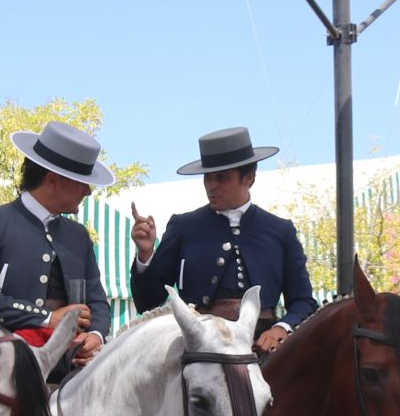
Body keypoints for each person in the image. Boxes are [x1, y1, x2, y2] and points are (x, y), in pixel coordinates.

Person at [128, 127, 316, 350]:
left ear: (249, 178)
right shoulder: (183, 226)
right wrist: (146, 254)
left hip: (262, 345)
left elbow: (303, 301)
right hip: (199, 346)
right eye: (207, 177)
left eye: (222, 178)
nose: (211, 185)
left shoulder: (280, 230)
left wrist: (281, 328)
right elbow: (147, 302)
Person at [0, 120, 115, 367]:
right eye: (80, 182)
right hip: (2, 366)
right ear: (52, 180)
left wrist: (94, 335)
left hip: (72, 367)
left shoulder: (78, 235)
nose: (88, 192)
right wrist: (48, 318)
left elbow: (97, 300)